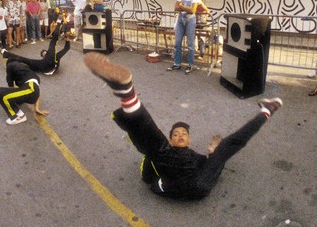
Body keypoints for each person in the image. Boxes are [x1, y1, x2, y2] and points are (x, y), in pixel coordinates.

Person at [84, 52, 283, 200]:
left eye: (184, 134)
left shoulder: (196, 158)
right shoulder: (165, 152)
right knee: (154, 145)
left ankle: (267, 110)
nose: (180, 135)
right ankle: (125, 90)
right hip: (178, 182)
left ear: (189, 140)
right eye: (176, 134)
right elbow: (147, 171)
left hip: (198, 184)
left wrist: (214, 154)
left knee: (226, 147)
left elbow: (209, 169)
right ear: (171, 139)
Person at [0, 19, 72, 76]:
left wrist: (68, 39)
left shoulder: (54, 56)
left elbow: (66, 48)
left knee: (52, 44)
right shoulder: (43, 61)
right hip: (44, 68)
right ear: (43, 56)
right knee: (24, 60)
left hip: (52, 66)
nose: (44, 53)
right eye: (43, 54)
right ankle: (5, 53)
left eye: (44, 52)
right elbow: (26, 63)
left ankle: (59, 24)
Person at [167, 0, 201, 74]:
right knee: (177, 43)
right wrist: (186, 8)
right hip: (181, 18)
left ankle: (190, 65)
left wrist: (182, 6)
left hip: (190, 19)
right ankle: (177, 64)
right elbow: (175, 7)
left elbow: (193, 10)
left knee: (190, 44)